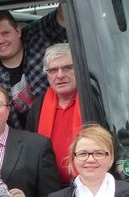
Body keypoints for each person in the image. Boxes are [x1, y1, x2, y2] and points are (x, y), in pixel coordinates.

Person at [0, 7, 67, 128]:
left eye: (5, 33)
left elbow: (62, 15)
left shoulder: (37, 36)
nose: (0, 40)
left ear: (18, 31)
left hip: (66, 121)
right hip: (29, 141)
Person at [26, 43, 80, 185]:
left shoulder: (93, 99)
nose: (60, 75)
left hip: (90, 185)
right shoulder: (37, 106)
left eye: (67, 68)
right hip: (50, 190)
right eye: (53, 70)